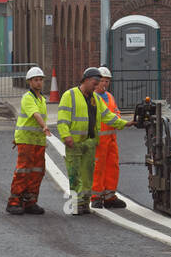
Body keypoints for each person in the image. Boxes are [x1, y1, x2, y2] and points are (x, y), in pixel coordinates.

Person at [57, 67, 128, 215]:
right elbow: (62, 119)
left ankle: (84, 204)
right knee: (75, 176)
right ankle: (76, 205)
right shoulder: (69, 95)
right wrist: (66, 136)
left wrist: (125, 123)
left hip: (89, 143)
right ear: (86, 80)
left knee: (87, 175)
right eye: (95, 84)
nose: (96, 87)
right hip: (74, 142)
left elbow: (107, 115)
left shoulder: (95, 98)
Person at [7, 67, 49, 215]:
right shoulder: (28, 98)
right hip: (27, 140)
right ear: (30, 82)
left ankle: (30, 201)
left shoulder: (42, 99)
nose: (39, 82)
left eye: (40, 80)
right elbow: (35, 115)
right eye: (35, 80)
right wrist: (44, 126)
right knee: (23, 170)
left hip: (37, 141)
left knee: (37, 171)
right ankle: (14, 202)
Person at [90, 67, 126, 209]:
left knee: (112, 166)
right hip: (99, 140)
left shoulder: (110, 97)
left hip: (111, 138)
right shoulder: (92, 97)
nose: (104, 84)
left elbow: (116, 111)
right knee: (98, 168)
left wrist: (119, 118)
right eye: (102, 81)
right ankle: (96, 196)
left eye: (107, 81)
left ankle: (109, 195)